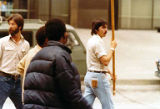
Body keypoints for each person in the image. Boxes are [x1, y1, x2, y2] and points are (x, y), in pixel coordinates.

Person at [23, 18, 92, 109]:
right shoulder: (60, 56)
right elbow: (71, 92)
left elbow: (28, 92)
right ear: (65, 35)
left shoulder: (36, 56)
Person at [84, 19, 117, 109]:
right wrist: (112, 48)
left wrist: (109, 72)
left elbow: (97, 62)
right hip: (98, 78)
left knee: (85, 106)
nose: (106, 30)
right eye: (103, 27)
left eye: (106, 27)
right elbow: (105, 61)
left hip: (89, 76)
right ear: (96, 30)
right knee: (108, 106)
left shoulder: (91, 40)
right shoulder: (97, 42)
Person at [0, 13, 30, 109]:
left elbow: (26, 65)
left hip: (17, 82)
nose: (10, 27)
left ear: (20, 27)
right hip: (3, 80)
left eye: (13, 24)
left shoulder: (26, 44)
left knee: (23, 106)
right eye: (10, 24)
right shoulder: (2, 42)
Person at [17, 26, 47, 103]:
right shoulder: (40, 55)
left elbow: (19, 67)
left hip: (28, 96)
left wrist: (27, 76)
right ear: (46, 40)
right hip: (36, 99)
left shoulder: (32, 51)